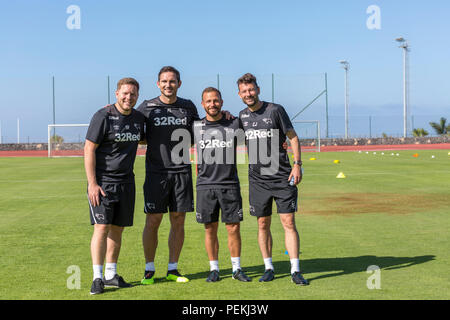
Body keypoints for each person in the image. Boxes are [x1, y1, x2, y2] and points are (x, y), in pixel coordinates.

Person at [237, 73, 309, 285]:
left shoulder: (275, 110)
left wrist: (297, 164)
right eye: (244, 91)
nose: (248, 94)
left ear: (258, 89)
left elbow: (293, 137)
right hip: (258, 180)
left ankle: (295, 270)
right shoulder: (241, 117)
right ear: (239, 94)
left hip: (282, 176)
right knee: (262, 223)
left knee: (288, 221)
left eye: (251, 90)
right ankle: (268, 267)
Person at [137, 66, 199, 284]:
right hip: (156, 172)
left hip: (182, 171)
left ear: (179, 84)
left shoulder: (188, 106)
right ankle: (149, 269)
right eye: (164, 81)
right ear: (158, 84)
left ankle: (173, 268)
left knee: (178, 219)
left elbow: (199, 133)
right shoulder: (147, 107)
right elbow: (138, 134)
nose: (168, 85)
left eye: (172, 81)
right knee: (153, 219)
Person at [84, 77, 145, 295]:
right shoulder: (103, 116)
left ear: (138, 96)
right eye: (125, 93)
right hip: (103, 183)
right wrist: (92, 183)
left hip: (127, 182)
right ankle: (97, 277)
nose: (129, 97)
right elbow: (89, 148)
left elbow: (145, 139)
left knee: (118, 230)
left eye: (133, 94)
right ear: (117, 93)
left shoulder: (139, 118)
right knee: (101, 227)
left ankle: (111, 274)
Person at [193, 87, 251, 282]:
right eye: (208, 101)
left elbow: (257, 132)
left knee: (233, 228)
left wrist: (282, 143)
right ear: (203, 104)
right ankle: (214, 269)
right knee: (210, 229)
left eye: (216, 100)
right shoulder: (195, 126)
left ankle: (236, 269)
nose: (212, 104)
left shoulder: (234, 123)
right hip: (205, 185)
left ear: (222, 102)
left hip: (229, 184)